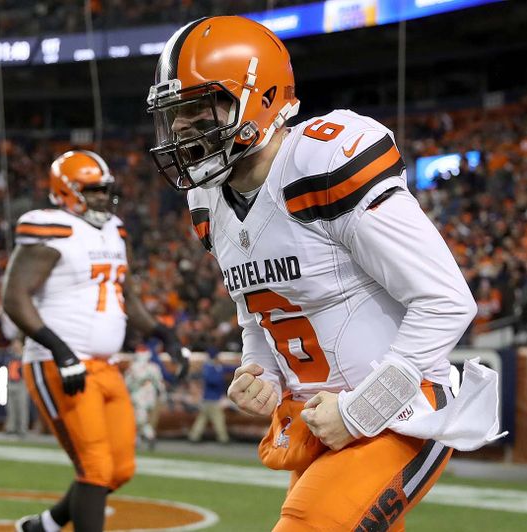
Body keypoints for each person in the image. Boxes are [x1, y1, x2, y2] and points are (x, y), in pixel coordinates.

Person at [147, 16, 501, 530]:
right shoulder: (207, 201)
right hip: (319, 421)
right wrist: (261, 371)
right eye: (175, 114)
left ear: (262, 97)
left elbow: (446, 301)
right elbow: (257, 311)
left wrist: (362, 409)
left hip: (398, 411)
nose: (183, 129)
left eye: (200, 109)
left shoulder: (322, 162)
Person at [3, 150, 190, 532]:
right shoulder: (50, 229)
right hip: (58, 363)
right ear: (66, 190)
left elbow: (127, 297)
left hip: (105, 365)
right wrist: (61, 352)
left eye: (105, 189)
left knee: (119, 469)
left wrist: (164, 333)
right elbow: (14, 298)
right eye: (93, 190)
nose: (103, 197)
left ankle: (45, 525)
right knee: (95, 467)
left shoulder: (114, 230)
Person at [125, 346, 167, 451]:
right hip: (139, 396)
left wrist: (162, 394)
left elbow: (159, 384)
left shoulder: (149, 368)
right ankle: (138, 440)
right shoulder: (138, 367)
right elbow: (127, 383)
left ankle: (148, 436)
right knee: (137, 420)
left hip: (142, 397)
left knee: (140, 420)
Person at [188, 353, 229, 444]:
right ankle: (223, 438)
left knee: (202, 419)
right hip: (211, 399)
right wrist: (219, 373)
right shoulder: (210, 368)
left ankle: (194, 437)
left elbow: (228, 369)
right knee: (218, 419)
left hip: (209, 398)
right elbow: (213, 380)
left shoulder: (214, 367)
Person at [5, 338, 30, 437]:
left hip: (21, 383)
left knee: (22, 407)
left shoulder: (25, 356)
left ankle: (22, 428)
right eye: (14, 343)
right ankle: (11, 428)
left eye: (17, 343)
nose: (15, 346)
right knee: (11, 407)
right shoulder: (10, 356)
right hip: (11, 382)